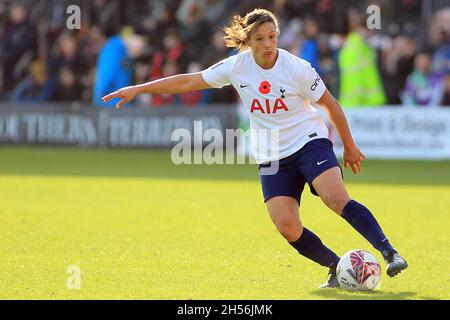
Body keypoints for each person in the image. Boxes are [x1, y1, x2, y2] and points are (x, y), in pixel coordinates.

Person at [102, 8, 408, 288]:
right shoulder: (237, 67)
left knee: (335, 197)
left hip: (308, 140)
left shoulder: (297, 68)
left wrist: (350, 146)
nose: (268, 44)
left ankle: (389, 252)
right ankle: (336, 268)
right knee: (287, 226)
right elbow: (187, 82)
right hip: (271, 153)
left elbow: (331, 105)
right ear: (247, 41)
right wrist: (138, 88)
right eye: (260, 38)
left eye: (272, 36)